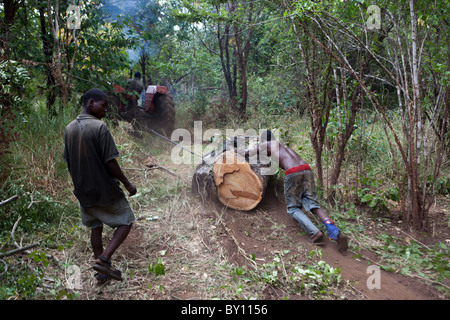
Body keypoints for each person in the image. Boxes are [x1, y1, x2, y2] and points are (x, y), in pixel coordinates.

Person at [63, 88, 138, 283]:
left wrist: (78, 185)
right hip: (104, 189)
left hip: (83, 191)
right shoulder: (99, 127)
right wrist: (128, 184)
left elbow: (69, 162)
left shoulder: (69, 128)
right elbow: (110, 162)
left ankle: (102, 272)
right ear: (90, 103)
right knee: (126, 221)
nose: (106, 109)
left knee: (95, 227)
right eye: (103, 105)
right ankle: (104, 259)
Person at [246, 130, 348, 250]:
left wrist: (236, 151)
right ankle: (332, 229)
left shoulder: (266, 144)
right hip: (306, 169)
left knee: (293, 208)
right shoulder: (282, 145)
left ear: (264, 140)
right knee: (314, 205)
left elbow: (249, 152)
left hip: (293, 172)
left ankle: (315, 233)